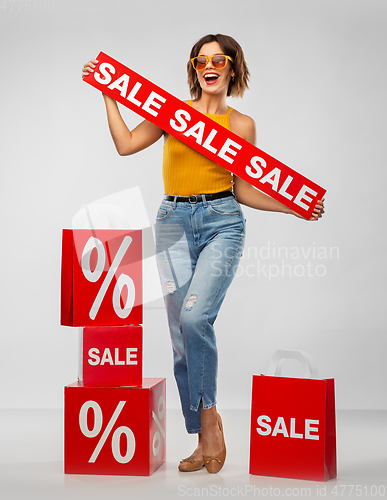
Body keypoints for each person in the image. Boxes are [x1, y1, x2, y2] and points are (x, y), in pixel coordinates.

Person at [82, 33, 325, 474]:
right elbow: (126, 145)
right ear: (194, 69)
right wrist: (108, 95)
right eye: (200, 59)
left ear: (233, 67)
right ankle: (202, 437)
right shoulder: (170, 114)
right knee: (180, 338)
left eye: (218, 59)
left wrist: (294, 207)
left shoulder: (242, 124)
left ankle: (209, 419)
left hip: (222, 222)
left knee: (195, 318)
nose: (208, 65)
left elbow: (247, 189)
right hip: (172, 223)